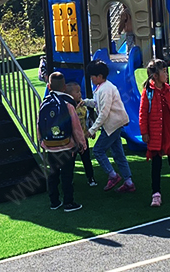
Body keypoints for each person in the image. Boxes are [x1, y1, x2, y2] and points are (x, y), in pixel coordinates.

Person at [139, 59, 170, 207]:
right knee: (156, 164)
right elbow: (143, 114)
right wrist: (144, 132)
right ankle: (156, 193)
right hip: (155, 133)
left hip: (169, 131)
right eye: (164, 72)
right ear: (155, 76)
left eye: (166, 71)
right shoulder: (148, 92)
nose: (166, 74)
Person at [83, 60, 135, 193]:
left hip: (112, 125)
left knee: (98, 150)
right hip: (115, 124)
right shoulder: (103, 87)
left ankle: (113, 175)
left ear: (100, 76)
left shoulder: (104, 90)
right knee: (118, 153)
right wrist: (85, 102)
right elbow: (97, 103)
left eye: (92, 76)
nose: (91, 79)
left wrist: (92, 129)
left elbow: (104, 113)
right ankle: (128, 182)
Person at [38, 72, 86, 212]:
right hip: (67, 146)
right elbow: (76, 127)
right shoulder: (68, 104)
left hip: (51, 146)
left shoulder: (44, 103)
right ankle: (68, 203)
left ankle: (54, 201)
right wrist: (81, 143)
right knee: (67, 175)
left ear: (49, 86)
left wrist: (42, 141)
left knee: (53, 174)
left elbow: (39, 124)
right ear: (64, 87)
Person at [66, 82, 97, 187]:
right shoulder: (68, 107)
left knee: (86, 159)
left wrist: (91, 131)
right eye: (77, 92)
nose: (80, 94)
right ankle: (69, 179)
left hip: (83, 139)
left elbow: (87, 119)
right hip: (72, 141)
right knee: (70, 161)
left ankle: (91, 178)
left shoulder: (83, 106)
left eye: (80, 91)